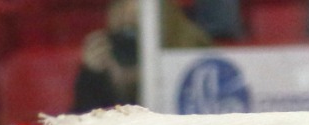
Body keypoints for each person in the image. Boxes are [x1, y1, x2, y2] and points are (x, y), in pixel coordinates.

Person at [73, 0, 211, 110]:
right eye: (123, 33)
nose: (129, 43)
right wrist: (92, 77)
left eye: (135, 31)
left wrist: (151, 75)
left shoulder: (191, 52)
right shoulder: (103, 65)